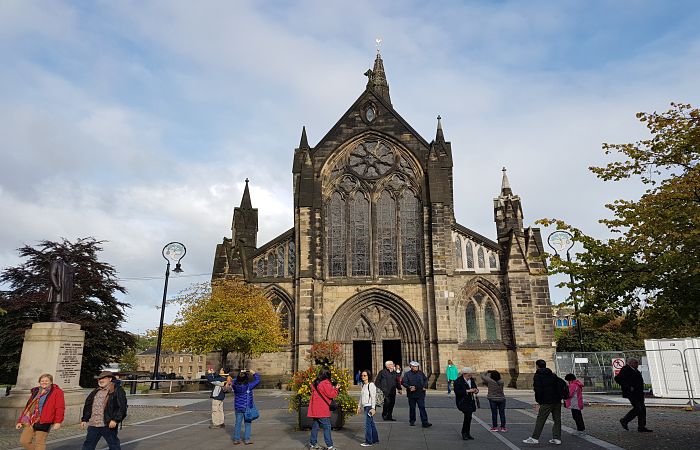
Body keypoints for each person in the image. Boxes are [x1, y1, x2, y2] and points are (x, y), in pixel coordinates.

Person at [16, 373, 65, 450]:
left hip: (44, 420)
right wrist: (20, 421)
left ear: (51, 382)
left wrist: (58, 422)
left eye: (46, 381)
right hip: (30, 420)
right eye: (42, 381)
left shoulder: (57, 392)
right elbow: (29, 406)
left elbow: (60, 407)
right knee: (24, 441)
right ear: (39, 382)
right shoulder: (36, 391)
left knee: (39, 442)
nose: (44, 382)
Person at [80, 371, 128, 450]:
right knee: (88, 445)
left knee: (113, 445)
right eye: (99, 379)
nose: (100, 380)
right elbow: (88, 405)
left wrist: (115, 420)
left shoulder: (117, 390)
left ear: (110, 379)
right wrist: (85, 419)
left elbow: (122, 407)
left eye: (103, 378)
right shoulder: (96, 391)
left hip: (107, 424)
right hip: (94, 424)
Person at [523, 360, 563, 445]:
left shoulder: (538, 376)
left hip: (546, 401)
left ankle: (535, 438)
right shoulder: (553, 375)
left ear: (537, 366)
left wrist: (539, 401)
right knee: (557, 419)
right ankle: (557, 438)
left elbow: (538, 390)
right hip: (556, 400)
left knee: (541, 419)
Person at [614, 357, 652, 432]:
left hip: (638, 392)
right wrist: (628, 387)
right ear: (630, 363)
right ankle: (625, 420)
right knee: (638, 408)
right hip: (631, 393)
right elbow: (618, 379)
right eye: (635, 363)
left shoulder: (635, 370)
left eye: (637, 363)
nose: (637, 364)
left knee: (642, 409)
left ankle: (641, 426)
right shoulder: (626, 369)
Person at [307, 366, 339, 450]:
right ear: (328, 374)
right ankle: (330, 446)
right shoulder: (325, 383)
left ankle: (313, 444)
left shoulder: (316, 382)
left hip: (315, 409)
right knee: (327, 427)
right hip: (322, 409)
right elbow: (332, 394)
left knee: (315, 426)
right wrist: (336, 389)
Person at [231, 369, 260, 445]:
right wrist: (253, 373)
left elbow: (234, 380)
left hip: (238, 407)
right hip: (247, 407)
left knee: (238, 423)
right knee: (248, 423)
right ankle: (247, 439)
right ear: (246, 379)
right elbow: (257, 380)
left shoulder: (235, 385)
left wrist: (240, 374)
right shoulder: (249, 386)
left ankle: (236, 439)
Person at [401, 361, 431, 428]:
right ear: (411, 367)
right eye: (414, 366)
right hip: (412, 394)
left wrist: (425, 386)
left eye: (417, 366)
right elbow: (403, 382)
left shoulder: (421, 373)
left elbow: (425, 380)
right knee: (412, 408)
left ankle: (425, 422)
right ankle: (412, 421)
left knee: (422, 407)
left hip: (420, 393)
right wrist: (409, 387)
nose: (416, 368)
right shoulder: (407, 374)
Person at [454, 367, 478, 440]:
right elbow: (457, 392)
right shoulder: (458, 381)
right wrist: (467, 391)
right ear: (464, 374)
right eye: (469, 375)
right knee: (468, 416)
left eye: (470, 374)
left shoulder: (471, 380)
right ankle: (464, 433)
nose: (470, 376)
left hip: (470, 401)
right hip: (463, 401)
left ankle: (467, 433)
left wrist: (476, 390)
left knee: (468, 417)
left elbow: (475, 387)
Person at [357, 369, 379, 447]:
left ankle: (368, 441)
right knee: (371, 423)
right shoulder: (363, 385)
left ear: (368, 376)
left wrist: (373, 408)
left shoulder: (371, 385)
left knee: (367, 425)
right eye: (362, 375)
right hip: (365, 406)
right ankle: (375, 439)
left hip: (369, 406)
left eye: (365, 375)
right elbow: (361, 397)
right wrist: (359, 406)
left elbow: (373, 397)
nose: (363, 377)